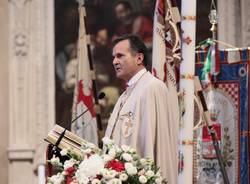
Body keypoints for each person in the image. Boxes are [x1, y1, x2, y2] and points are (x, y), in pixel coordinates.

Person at [105, 34, 179, 183]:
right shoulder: (125, 95)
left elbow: (158, 143)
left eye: (120, 56)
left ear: (139, 58)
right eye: (113, 57)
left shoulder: (153, 87)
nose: (114, 61)